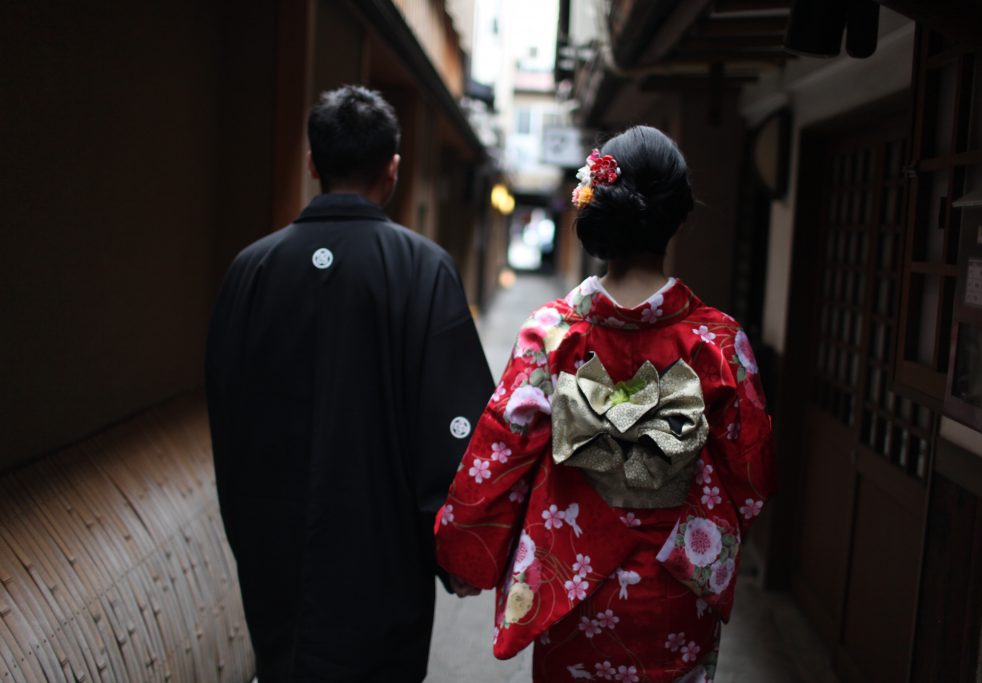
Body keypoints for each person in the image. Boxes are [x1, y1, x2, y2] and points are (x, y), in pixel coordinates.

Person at [435, 126, 775, 683]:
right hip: (676, 586)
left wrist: (465, 552)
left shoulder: (552, 333)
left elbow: (497, 456)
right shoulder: (717, 343)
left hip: (570, 586)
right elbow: (754, 478)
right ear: (679, 219)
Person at [206, 85, 493, 682]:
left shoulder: (251, 269)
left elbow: (225, 409)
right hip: (381, 561)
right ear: (392, 169)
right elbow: (456, 424)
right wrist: (460, 549)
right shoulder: (423, 268)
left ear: (313, 164)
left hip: (276, 552)